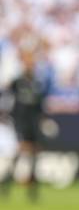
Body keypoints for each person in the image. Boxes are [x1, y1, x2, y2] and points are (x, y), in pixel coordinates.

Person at [0, 51, 47, 202]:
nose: (30, 65)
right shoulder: (17, 82)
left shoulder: (37, 83)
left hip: (33, 122)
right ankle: (7, 183)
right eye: (27, 62)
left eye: (31, 63)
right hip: (21, 121)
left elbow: (40, 105)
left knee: (34, 153)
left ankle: (32, 189)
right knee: (22, 149)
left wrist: (43, 120)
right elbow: (6, 97)